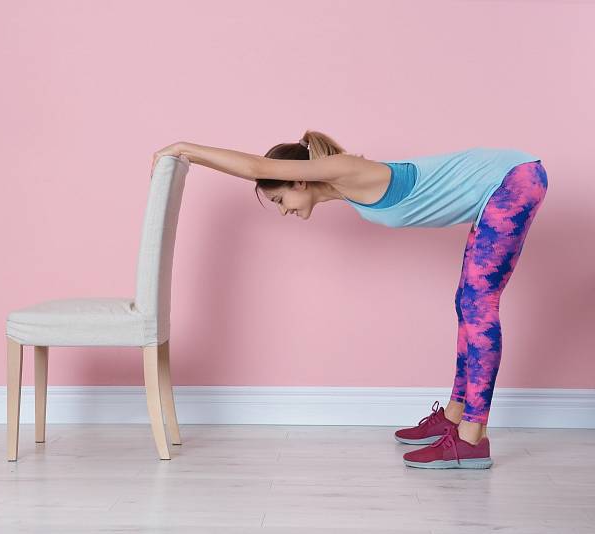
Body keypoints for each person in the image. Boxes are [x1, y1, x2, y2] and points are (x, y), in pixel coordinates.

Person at [152, 130, 548, 469]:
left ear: (299, 181)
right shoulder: (346, 189)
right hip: (503, 184)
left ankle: (472, 439)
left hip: (513, 181)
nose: (282, 212)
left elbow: (258, 168)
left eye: (279, 201)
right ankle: (455, 418)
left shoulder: (343, 169)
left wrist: (186, 149)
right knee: (467, 301)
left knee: (478, 305)